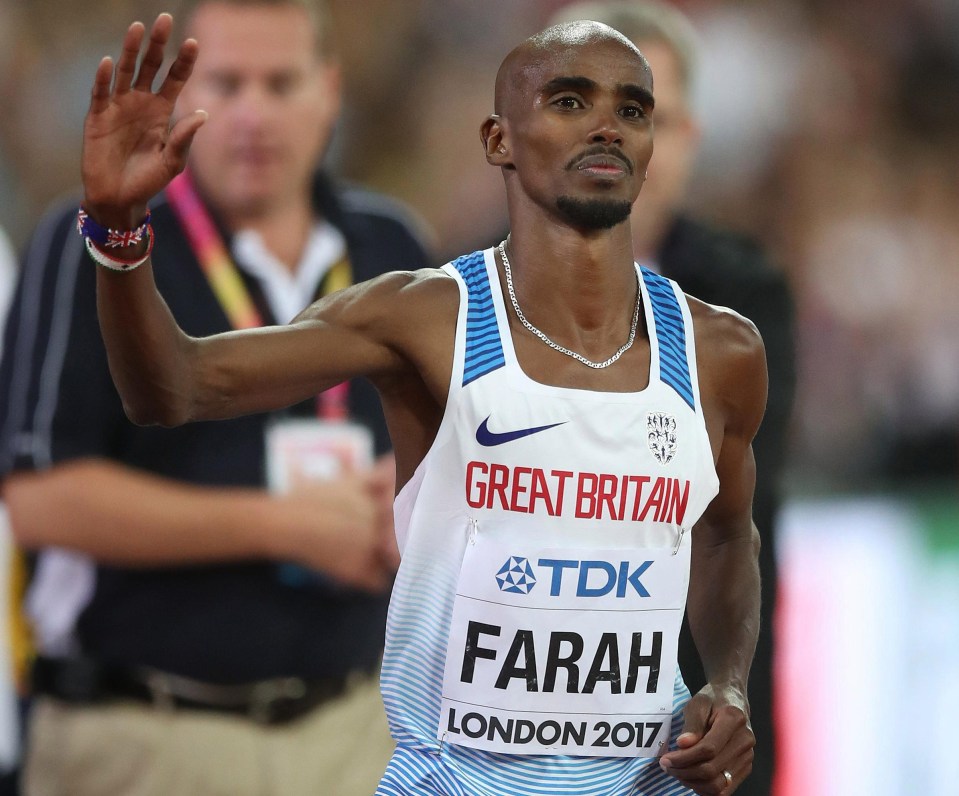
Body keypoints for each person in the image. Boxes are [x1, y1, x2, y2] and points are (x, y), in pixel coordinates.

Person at [74, 13, 766, 795]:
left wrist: (728, 681)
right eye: (570, 101)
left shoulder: (720, 351)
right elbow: (173, 387)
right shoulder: (424, 318)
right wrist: (120, 231)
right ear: (498, 138)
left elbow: (722, 536)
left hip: (646, 780)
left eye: (632, 109)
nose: (606, 124)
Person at [0, 1, 432, 794]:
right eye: (225, 83)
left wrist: (408, 505)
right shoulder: (92, 240)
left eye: (280, 82)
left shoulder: (392, 248)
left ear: (329, 90)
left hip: (358, 726)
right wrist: (282, 526)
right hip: (144, 734)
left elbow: (446, 464)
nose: (252, 114)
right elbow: (41, 500)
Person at [547, 4, 797, 794]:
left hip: (697, 718)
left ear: (687, 140)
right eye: (578, 108)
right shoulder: (466, 291)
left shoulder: (743, 300)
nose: (614, 141)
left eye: (643, 114)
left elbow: (716, 500)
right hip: (521, 722)